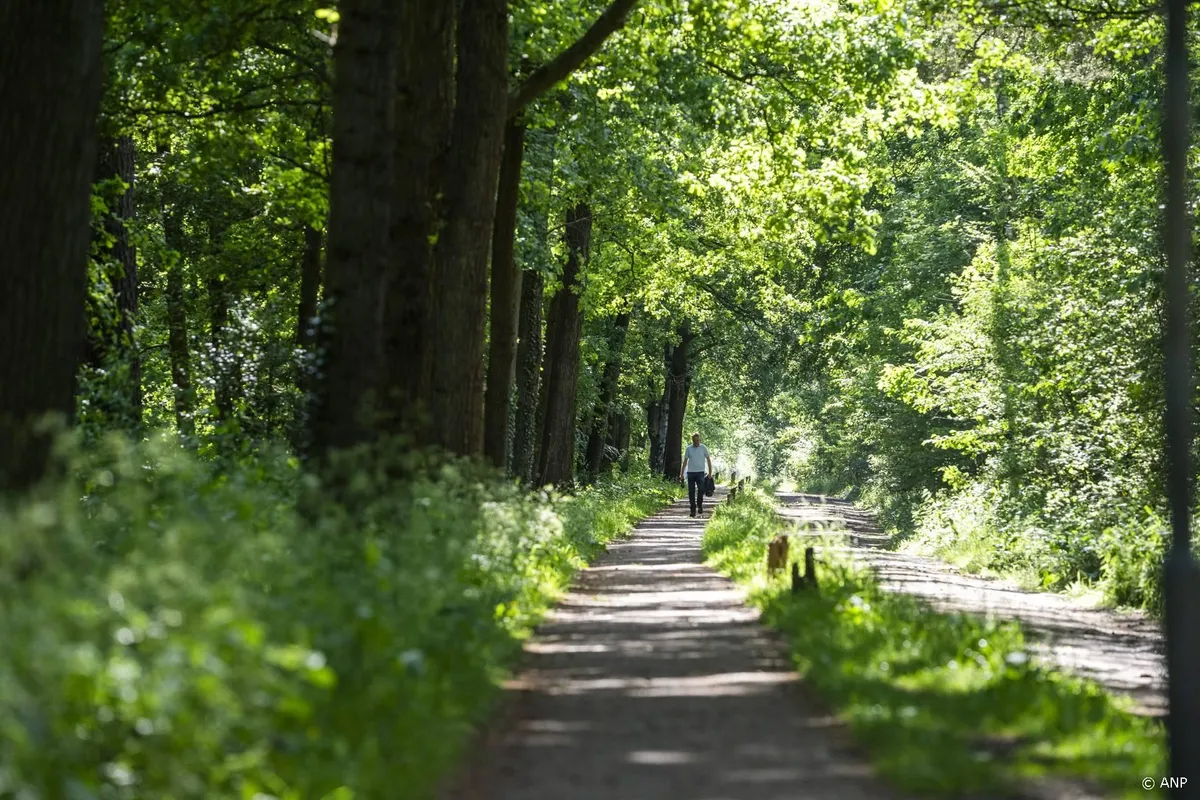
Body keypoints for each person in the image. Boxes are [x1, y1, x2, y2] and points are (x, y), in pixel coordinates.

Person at [680, 432, 713, 518]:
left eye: (698, 440)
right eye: (695, 441)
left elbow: (708, 459)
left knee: (701, 490)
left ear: (700, 440)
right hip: (691, 473)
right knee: (691, 492)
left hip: (700, 472)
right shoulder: (689, 449)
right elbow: (685, 462)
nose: (697, 442)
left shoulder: (703, 448)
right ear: (692, 441)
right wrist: (681, 473)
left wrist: (710, 472)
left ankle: (699, 503)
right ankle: (693, 509)